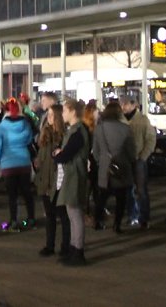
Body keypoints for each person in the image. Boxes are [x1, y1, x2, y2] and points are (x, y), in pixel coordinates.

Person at [53, 99, 91, 266]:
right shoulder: (77, 130)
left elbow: (65, 155)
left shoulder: (77, 132)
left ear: (73, 112)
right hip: (73, 174)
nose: (63, 114)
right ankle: (75, 249)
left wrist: (58, 154)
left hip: (75, 174)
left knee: (75, 215)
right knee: (73, 214)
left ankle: (78, 251)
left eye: (65, 111)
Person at [0, 98, 36, 232]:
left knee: (12, 195)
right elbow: (29, 140)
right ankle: (31, 219)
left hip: (8, 163)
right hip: (24, 161)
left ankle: (14, 221)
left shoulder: (2, 127)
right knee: (27, 192)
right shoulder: (26, 124)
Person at [92, 101, 136, 233]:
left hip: (105, 168)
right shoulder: (126, 128)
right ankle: (117, 224)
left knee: (102, 197)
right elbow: (131, 151)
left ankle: (98, 221)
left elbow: (95, 150)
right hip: (122, 168)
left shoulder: (100, 128)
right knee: (121, 198)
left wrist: (102, 161)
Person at [120, 95, 156, 229]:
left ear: (134, 105)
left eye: (125, 104)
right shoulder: (121, 120)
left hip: (138, 160)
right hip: (126, 160)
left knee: (141, 190)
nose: (123, 106)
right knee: (128, 190)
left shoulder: (142, 120)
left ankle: (144, 217)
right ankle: (132, 215)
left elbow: (151, 140)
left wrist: (143, 157)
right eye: (121, 104)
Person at [34, 104, 65, 256]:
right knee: (50, 215)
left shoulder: (63, 136)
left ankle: (66, 245)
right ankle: (50, 245)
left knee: (62, 214)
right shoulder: (45, 133)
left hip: (57, 181)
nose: (49, 118)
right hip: (45, 180)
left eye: (52, 115)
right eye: (49, 115)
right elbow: (41, 156)